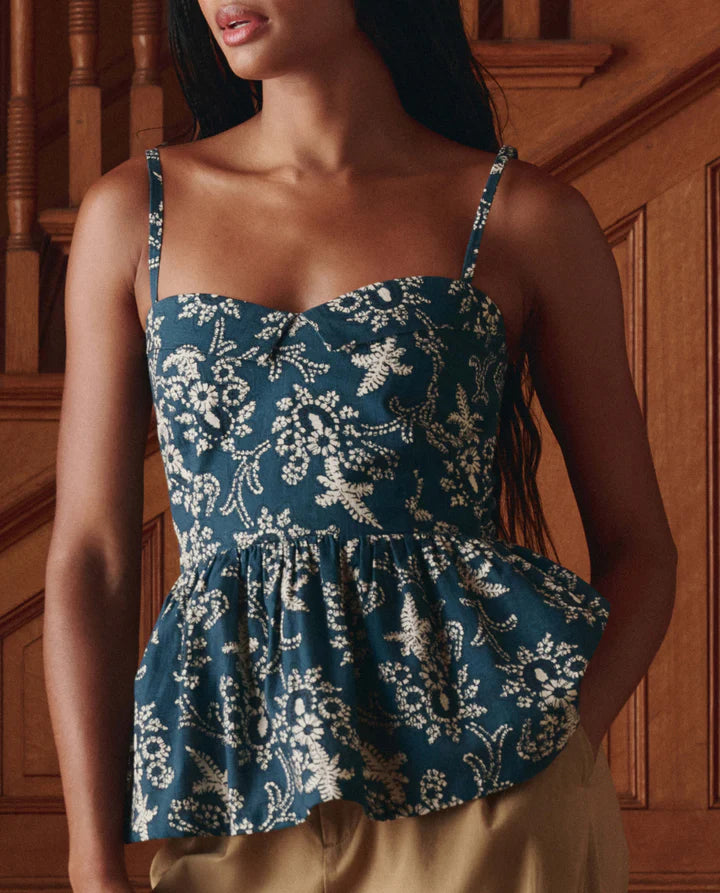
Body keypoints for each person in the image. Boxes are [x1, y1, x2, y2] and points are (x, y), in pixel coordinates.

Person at [43, 0, 678, 891]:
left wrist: (558, 744)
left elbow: (640, 548)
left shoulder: (522, 216)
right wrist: (88, 854)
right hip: (236, 790)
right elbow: (91, 560)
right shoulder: (131, 214)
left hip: (487, 794)